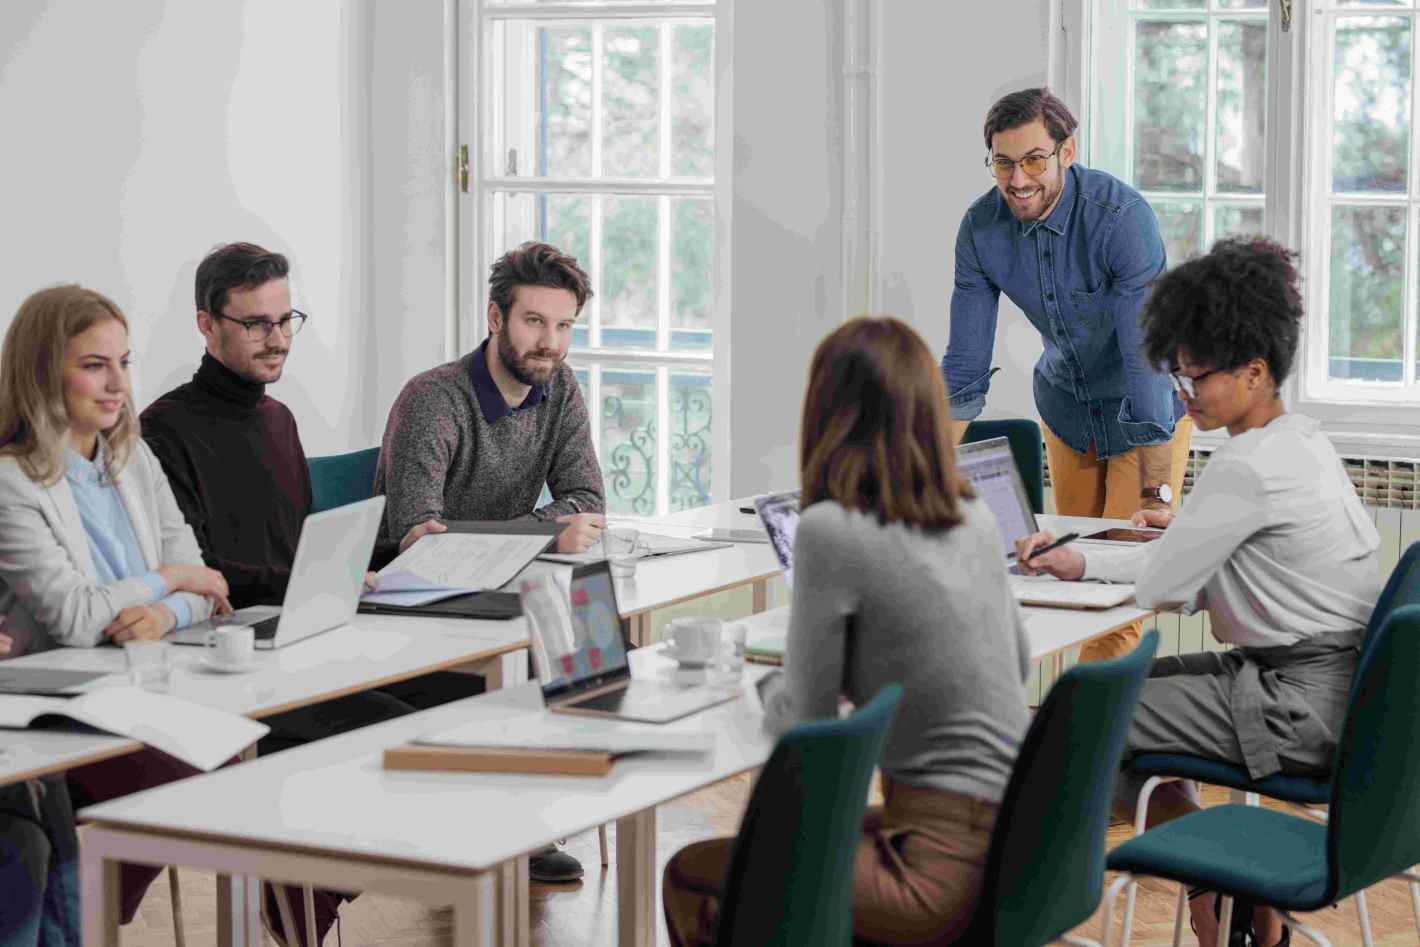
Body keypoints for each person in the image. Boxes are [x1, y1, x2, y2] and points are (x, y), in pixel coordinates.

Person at [1015, 238, 1381, 947]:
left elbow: (1162, 585)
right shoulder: (1301, 440)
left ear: (1253, 370)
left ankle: (1213, 889)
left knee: (1074, 719)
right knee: (1100, 697)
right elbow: (1203, 562)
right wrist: (1092, 562)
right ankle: (1231, 895)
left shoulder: (1243, 466)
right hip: (1334, 692)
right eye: (1177, 375)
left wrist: (1148, 551)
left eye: (1197, 378)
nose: (1184, 395)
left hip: (1294, 705)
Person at [663, 317, 1031, 946]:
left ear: (829, 414)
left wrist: (766, 688)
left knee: (691, 873)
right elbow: (1019, 663)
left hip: (937, 875)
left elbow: (804, 723)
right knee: (774, 846)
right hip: (1022, 842)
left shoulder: (831, 528)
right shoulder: (972, 514)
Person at [137, 242, 447, 942]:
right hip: (229, 665)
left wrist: (398, 549)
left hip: (307, 639)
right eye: (256, 324)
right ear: (206, 325)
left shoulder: (279, 420)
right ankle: (299, 891)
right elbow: (203, 571)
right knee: (390, 735)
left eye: (285, 319)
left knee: (458, 703)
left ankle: (306, 889)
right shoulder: (163, 431)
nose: (277, 339)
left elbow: (301, 546)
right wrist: (314, 580)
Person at [0, 285, 231, 932]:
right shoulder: (12, 479)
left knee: (227, 754)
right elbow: (76, 617)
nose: (117, 385)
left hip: (144, 673)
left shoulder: (133, 457)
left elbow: (208, 591)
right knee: (188, 768)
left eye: (124, 363)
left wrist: (166, 612)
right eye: (94, 365)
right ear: (44, 371)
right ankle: (90, 917)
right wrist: (165, 579)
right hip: (61, 701)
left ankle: (90, 915)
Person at [941, 87, 1192, 662]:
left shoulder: (1121, 218)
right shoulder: (981, 229)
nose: (1018, 179)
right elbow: (964, 366)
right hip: (1068, 411)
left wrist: (1156, 495)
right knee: (1063, 577)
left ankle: (1091, 741)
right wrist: (922, 478)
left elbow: (1146, 359)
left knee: (1123, 593)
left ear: (1067, 151)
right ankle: (1073, 733)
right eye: (1003, 162)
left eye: (1034, 159)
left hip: (1145, 413)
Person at [374, 241, 606, 556]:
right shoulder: (430, 400)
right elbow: (420, 539)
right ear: (495, 318)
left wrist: (516, 539)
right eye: (534, 321)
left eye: (563, 325)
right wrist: (545, 535)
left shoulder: (560, 383)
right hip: (416, 589)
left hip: (506, 575)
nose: (550, 343)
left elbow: (589, 502)